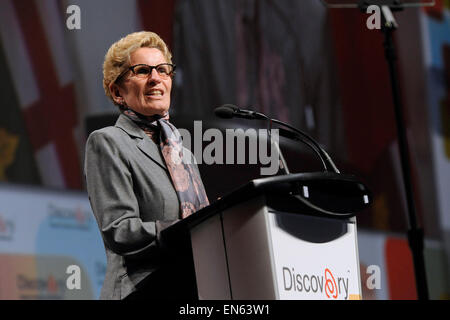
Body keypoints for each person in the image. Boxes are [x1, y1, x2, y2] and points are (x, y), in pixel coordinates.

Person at [84, 31, 209, 300]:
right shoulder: (108, 142)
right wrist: (188, 230)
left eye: (163, 70)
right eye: (142, 71)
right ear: (118, 91)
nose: (156, 78)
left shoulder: (181, 152)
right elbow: (119, 230)